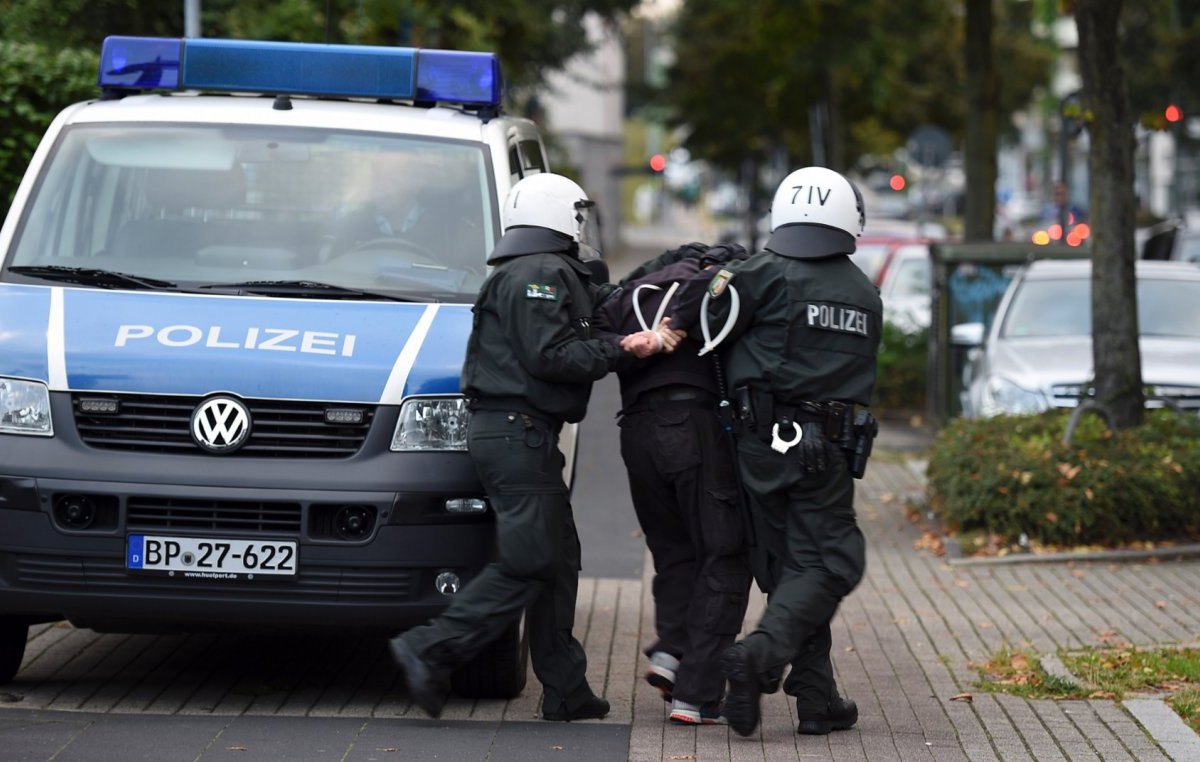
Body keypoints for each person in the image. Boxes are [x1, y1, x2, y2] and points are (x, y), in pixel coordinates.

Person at [388, 173, 679, 722]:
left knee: (558, 560)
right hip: (514, 432)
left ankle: (566, 690)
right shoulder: (537, 273)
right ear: (561, 214)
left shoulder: (542, 269)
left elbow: (600, 304)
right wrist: (629, 348)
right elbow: (553, 355)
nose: (582, 221)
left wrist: (663, 281)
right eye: (578, 212)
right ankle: (428, 647)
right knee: (531, 558)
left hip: (523, 434)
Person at [670, 166, 882, 737]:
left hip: (757, 447)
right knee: (832, 560)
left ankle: (817, 698)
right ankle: (760, 656)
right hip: (827, 453)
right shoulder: (864, 291)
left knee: (794, 569)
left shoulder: (757, 274)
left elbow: (697, 321)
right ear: (848, 218)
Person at [595, 242, 753, 726]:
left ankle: (672, 651)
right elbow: (720, 286)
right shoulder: (718, 276)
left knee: (675, 552)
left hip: (636, 431)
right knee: (725, 554)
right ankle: (698, 694)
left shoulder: (634, 291)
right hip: (692, 426)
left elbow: (599, 330)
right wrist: (676, 331)